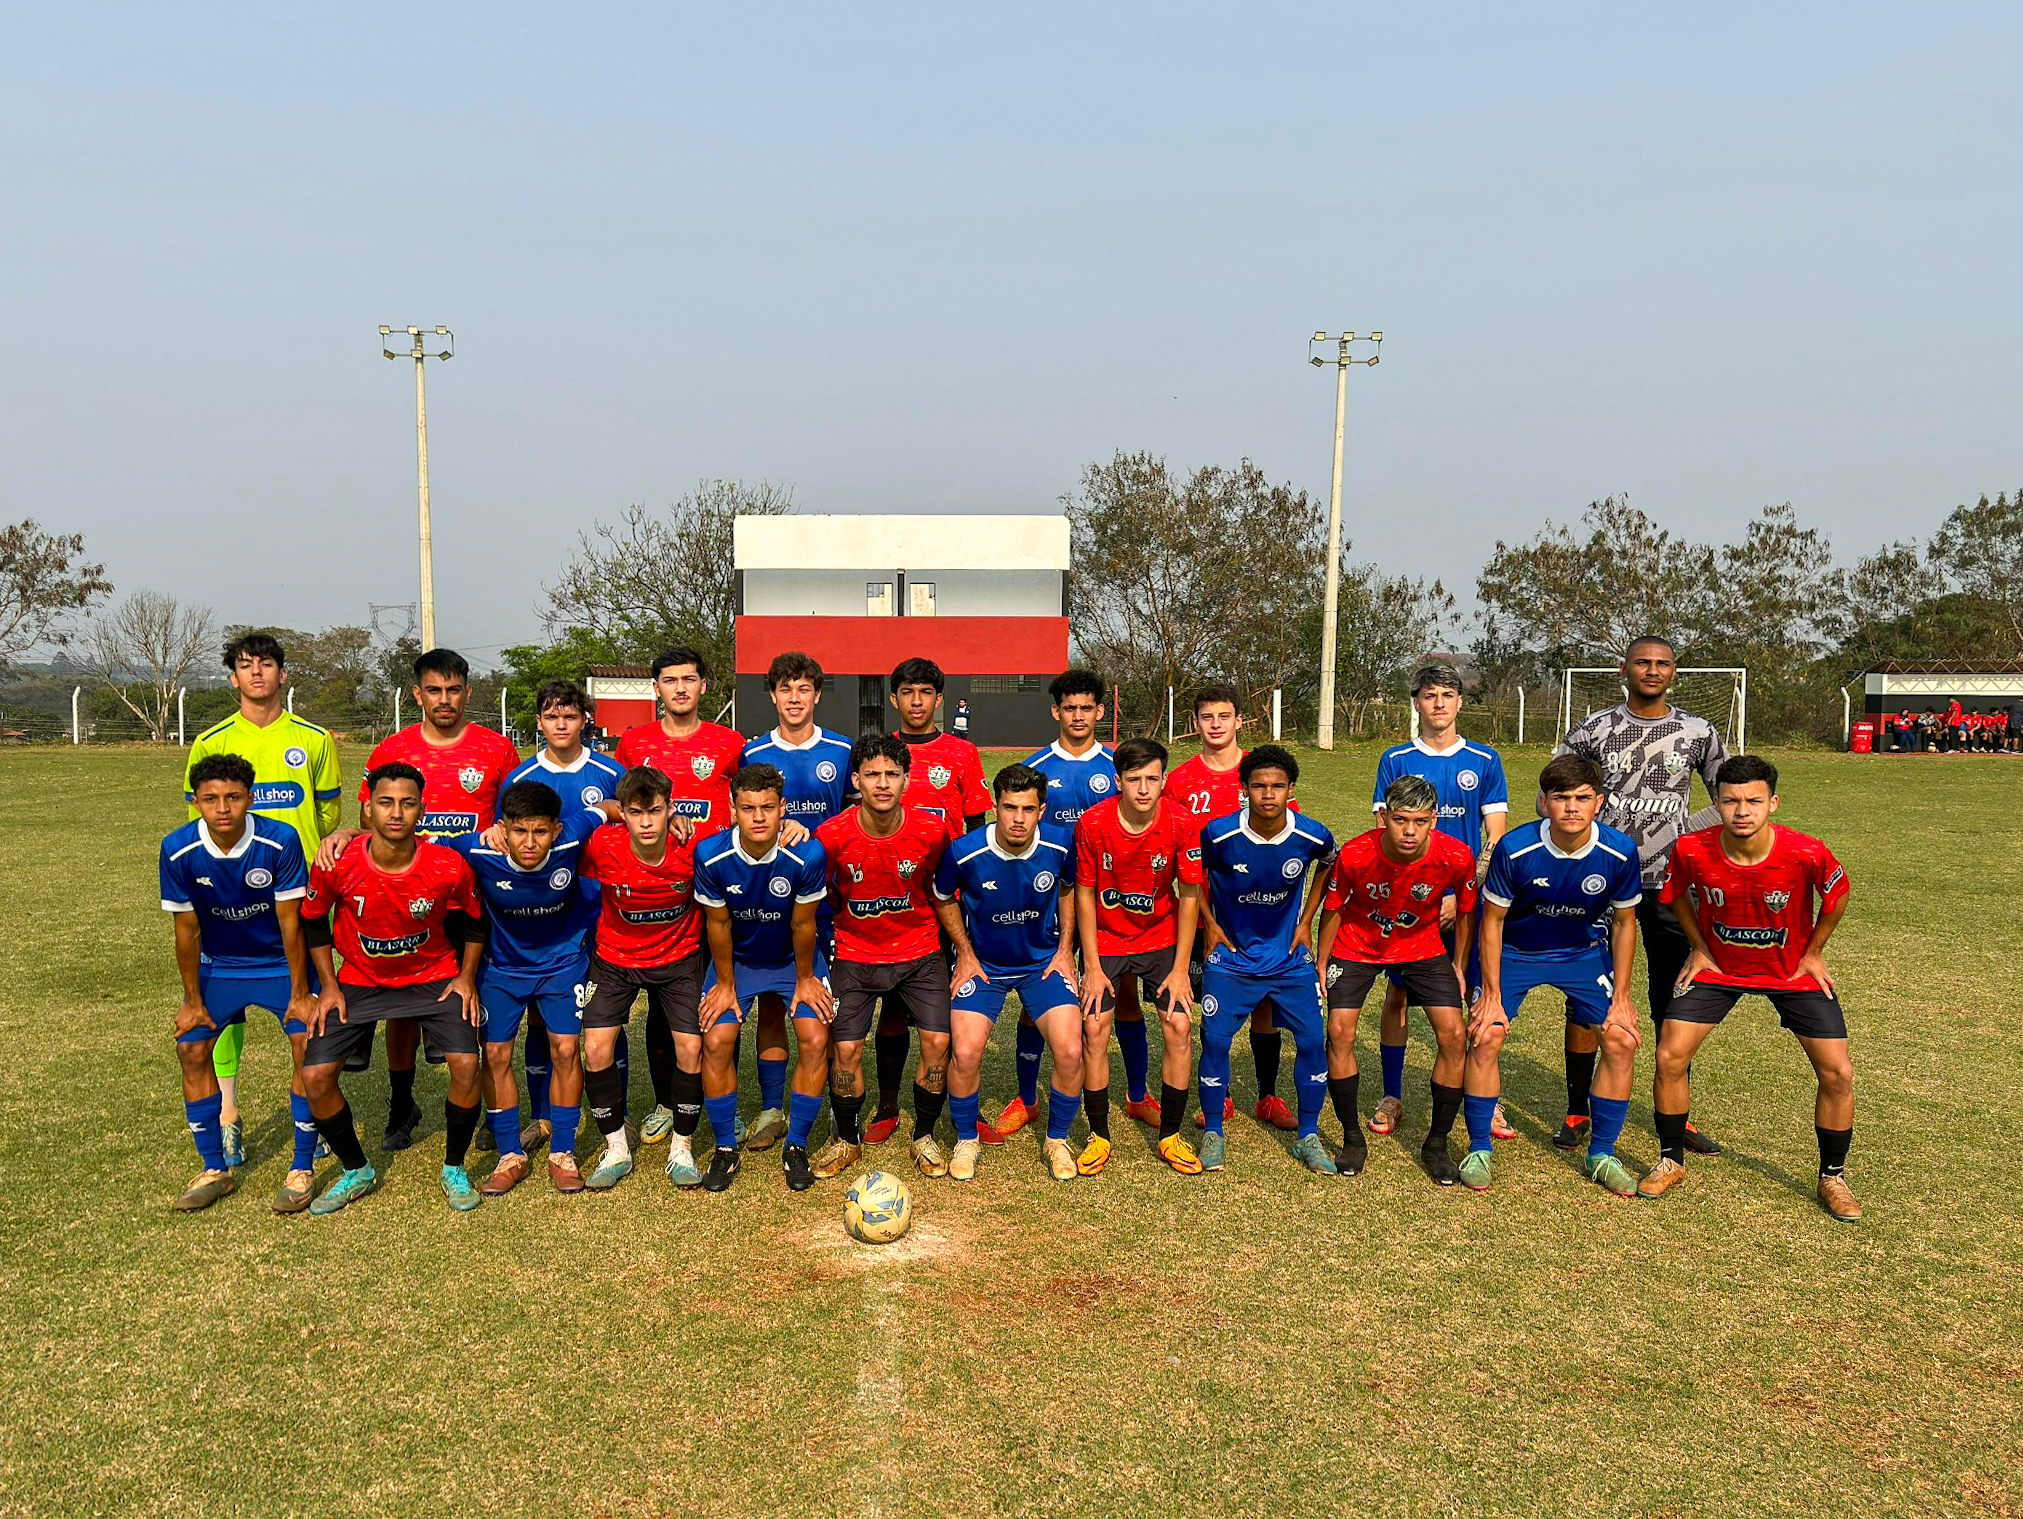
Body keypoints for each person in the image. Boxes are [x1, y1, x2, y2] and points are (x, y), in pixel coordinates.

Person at [1637, 755, 1861, 1222]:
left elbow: (1837, 895)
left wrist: (1813, 952)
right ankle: (1671, 1160)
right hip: (1719, 969)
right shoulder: (1691, 849)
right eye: (1731, 800)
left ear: (1772, 803)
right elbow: (1675, 893)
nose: (1742, 810)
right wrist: (1698, 946)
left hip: (1789, 974)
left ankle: (1833, 1177)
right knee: (1668, 1056)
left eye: (1753, 800)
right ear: (1716, 803)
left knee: (1838, 1072)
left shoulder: (1805, 851)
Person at [326, 647, 519, 1151]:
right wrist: (350, 832)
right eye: (434, 690)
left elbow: (510, 817)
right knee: (402, 1006)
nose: (445, 700)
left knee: (477, 997)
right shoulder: (393, 748)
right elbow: (371, 816)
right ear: (417, 694)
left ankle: (487, 1110)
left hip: (471, 895)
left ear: (468, 693)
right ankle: (401, 1104)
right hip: (403, 891)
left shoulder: (496, 750)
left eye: (454, 690)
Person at [1555, 634, 1728, 1156]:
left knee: (1675, 999)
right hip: (1601, 884)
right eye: (1642, 663)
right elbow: (1553, 792)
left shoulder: (1697, 731)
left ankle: (1679, 1112)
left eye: (1662, 664)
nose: (1652, 671)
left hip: (1672, 887)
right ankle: (1578, 1107)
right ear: (1624, 668)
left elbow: (1731, 799)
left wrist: (1683, 832)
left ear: (1674, 672)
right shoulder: (1593, 729)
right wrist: (1590, 836)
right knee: (1590, 996)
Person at [181, 631, 342, 1168]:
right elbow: (198, 821)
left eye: (267, 664)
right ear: (232, 677)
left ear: (283, 674)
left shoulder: (315, 739)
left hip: (297, 893)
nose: (257, 673)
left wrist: (293, 858)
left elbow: (326, 817)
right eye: (245, 665)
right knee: (220, 1011)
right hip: (228, 897)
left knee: (305, 1009)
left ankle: (314, 1114)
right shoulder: (210, 741)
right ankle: (227, 1114)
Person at [297, 762, 486, 1214]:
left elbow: (477, 923)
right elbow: (312, 921)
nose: (396, 813)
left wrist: (465, 978)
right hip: (360, 981)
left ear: (422, 809)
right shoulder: (337, 861)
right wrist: (328, 985)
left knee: (465, 1063)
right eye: (385, 802)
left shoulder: (446, 864)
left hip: (434, 977)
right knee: (315, 1075)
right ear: (367, 808)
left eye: (407, 803)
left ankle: (454, 1167)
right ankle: (355, 1168)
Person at [1467, 755, 1644, 1196]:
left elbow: (1625, 924)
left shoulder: (1620, 851)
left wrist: (1621, 996)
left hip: (1582, 954)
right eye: (1561, 797)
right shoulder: (1516, 847)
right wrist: (1489, 993)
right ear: (1544, 802)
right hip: (1517, 951)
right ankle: (1478, 1148)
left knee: (1621, 1038)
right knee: (1486, 1032)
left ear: (1598, 803)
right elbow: (1491, 922)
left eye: (1583, 798)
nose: (1571, 807)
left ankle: (1602, 1154)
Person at [160, 754, 319, 1211]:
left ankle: (302, 1165)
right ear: (195, 801)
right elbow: (186, 931)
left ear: (250, 798)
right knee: (191, 1047)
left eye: (233, 797)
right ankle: (215, 1168)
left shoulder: (280, 839)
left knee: (305, 1043)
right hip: (220, 965)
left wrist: (299, 993)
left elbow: (292, 923)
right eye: (210, 799)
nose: (223, 808)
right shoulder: (177, 849)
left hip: (277, 963)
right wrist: (193, 1000)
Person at [814, 735, 976, 1181]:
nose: (882, 784)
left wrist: (962, 952)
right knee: (845, 1048)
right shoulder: (831, 835)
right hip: (855, 953)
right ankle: (846, 1139)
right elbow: (821, 897)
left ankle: (923, 1134)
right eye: (872, 774)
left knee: (938, 1045)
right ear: (856, 780)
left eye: (891, 774)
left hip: (920, 952)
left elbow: (945, 891)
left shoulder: (932, 831)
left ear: (907, 779)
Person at [1366, 660, 1508, 1142]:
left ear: (1460, 703)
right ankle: (1392, 1094)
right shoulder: (1395, 758)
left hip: (1464, 899)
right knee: (1398, 993)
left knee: (1470, 992)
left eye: (1448, 694)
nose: (1439, 703)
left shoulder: (1485, 761)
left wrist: (1460, 893)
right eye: (1430, 695)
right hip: (1409, 901)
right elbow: (1383, 832)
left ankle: (1482, 1098)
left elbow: (1495, 835)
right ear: (1417, 702)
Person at [612, 646, 745, 1148]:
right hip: (655, 892)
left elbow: (745, 800)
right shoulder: (635, 743)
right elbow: (613, 801)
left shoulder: (730, 742)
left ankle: (719, 1099)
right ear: (657, 689)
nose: (681, 688)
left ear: (704, 686)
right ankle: (669, 1102)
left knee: (716, 998)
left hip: (714, 890)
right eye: (670, 680)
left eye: (690, 679)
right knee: (664, 1004)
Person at [1315, 775, 1476, 1184]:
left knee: (1454, 1036)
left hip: (1422, 947)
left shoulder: (1456, 856)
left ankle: (1436, 1144)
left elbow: (1469, 910)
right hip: (1356, 946)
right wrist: (1322, 961)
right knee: (1339, 1032)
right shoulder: (1354, 854)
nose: (1409, 831)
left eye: (1420, 821)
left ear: (1434, 819)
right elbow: (1333, 908)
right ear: (1384, 815)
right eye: (1401, 819)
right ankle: (1352, 1138)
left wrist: (1458, 964)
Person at [442, 781, 600, 1194]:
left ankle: (562, 1151)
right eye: (519, 831)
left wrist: (673, 816)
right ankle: (510, 1154)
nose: (529, 843)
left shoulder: (572, 839)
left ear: (556, 830)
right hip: (502, 969)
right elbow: (416, 840)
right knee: (494, 1054)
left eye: (540, 832)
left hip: (562, 966)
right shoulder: (478, 849)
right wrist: (350, 834)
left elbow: (612, 806)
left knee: (565, 1049)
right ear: (503, 828)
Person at [1191, 745, 1337, 1175]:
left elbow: (1329, 864)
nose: (1268, 794)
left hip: (1289, 960)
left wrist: (1306, 919)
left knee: (1312, 1042)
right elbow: (1192, 873)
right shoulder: (1217, 835)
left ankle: (1308, 1135)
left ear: (1291, 790)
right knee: (1216, 1042)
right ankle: (1213, 1132)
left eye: (1277, 786)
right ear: (1244, 790)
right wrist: (1210, 924)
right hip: (1232, 960)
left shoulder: (1312, 835)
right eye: (1259, 786)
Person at [693, 763, 835, 1192]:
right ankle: (724, 1149)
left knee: (814, 1035)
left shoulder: (807, 854)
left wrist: (807, 978)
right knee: (716, 1038)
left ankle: (795, 1146)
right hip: (737, 961)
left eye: (768, 808)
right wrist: (724, 984)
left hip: (795, 959)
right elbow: (717, 926)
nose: (758, 817)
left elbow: (803, 925)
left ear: (783, 809)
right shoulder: (710, 854)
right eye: (748, 807)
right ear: (732, 808)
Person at [867, 659, 991, 1148]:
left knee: (956, 1009)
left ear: (940, 699)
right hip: (891, 902)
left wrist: (976, 893)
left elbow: (980, 830)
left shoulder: (961, 754)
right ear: (894, 699)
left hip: (949, 903)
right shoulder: (881, 755)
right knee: (894, 1009)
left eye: (925, 692)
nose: (916, 701)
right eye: (906, 692)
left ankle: (965, 1106)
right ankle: (887, 1106)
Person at [941, 764, 1084, 1183]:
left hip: (1041, 964)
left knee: (1071, 1051)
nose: (1017, 818)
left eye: (1027, 808)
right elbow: (942, 897)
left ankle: (1056, 1140)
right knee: (965, 1053)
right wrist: (965, 953)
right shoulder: (965, 851)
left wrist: (1064, 952)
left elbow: (1068, 888)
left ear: (1042, 809)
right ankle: (966, 1139)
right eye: (1008, 808)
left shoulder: (1059, 845)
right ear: (995, 806)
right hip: (985, 967)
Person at [502, 679, 626, 1154]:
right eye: (552, 716)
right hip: (540, 918)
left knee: (603, 1018)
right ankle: (543, 1116)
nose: (561, 724)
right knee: (539, 1019)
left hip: (600, 912)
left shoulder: (609, 772)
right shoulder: (519, 777)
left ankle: (618, 1115)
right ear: (538, 722)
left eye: (570, 716)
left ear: (584, 721)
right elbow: (504, 836)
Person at [1000, 670, 1125, 1140]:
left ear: (1099, 711)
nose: (1077, 716)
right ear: (1056, 712)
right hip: (1047, 903)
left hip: (1105, 903)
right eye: (1069, 708)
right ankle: (1027, 1100)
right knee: (1037, 1003)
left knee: (1120, 999)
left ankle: (1135, 1096)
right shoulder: (1036, 769)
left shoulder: (1116, 767)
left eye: (1086, 707)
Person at [1166, 680, 1294, 1133]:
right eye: (1207, 717)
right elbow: (1180, 850)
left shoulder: (1263, 770)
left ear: (1240, 720)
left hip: (1262, 911)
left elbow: (1289, 837)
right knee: (1211, 1002)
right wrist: (1204, 916)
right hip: (1204, 911)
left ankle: (1267, 1095)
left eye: (1224, 716)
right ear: (1195, 723)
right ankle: (1218, 1097)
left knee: (1264, 1004)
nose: (1215, 725)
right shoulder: (1181, 781)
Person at [738, 651, 854, 1149]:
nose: (794, 698)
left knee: (824, 1008)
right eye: (785, 689)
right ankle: (769, 1110)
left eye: (803, 689)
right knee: (769, 1005)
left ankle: (826, 1104)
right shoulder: (752, 753)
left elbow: (856, 820)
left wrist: (813, 835)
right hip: (769, 900)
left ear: (817, 695)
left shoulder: (843, 751)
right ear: (772, 695)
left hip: (828, 898)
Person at [1074, 737, 1203, 1175]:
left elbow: (1189, 895)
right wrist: (1091, 966)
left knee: (1179, 1024)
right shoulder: (1092, 824)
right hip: (1107, 942)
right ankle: (1098, 1135)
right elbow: (1086, 894)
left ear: (1164, 779)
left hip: (1159, 940)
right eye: (1134, 780)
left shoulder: (1183, 823)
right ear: (1118, 781)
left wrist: (1182, 968)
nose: (1144, 789)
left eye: (1152, 779)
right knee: (1093, 1027)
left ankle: (1170, 1134)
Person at [576, 765, 707, 1191]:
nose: (646, 823)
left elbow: (750, 832)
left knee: (691, 1046)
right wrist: (602, 809)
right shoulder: (603, 845)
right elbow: (558, 841)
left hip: (679, 958)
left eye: (655, 811)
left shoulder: (693, 843)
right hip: (615, 959)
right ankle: (616, 1148)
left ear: (671, 809)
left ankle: (682, 1149)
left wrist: (794, 825)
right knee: (595, 1049)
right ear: (624, 814)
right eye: (636, 812)